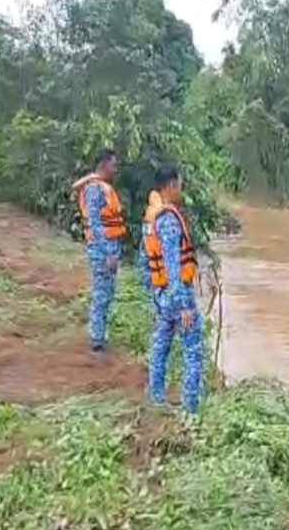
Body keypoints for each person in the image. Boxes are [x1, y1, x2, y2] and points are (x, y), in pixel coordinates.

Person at [140, 166, 205, 414]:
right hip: (177, 295)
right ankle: (191, 409)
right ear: (170, 186)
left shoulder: (152, 216)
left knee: (161, 346)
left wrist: (156, 296)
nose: (181, 190)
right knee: (193, 351)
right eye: (179, 185)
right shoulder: (168, 219)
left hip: (162, 294)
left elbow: (146, 261)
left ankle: (157, 399)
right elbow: (171, 265)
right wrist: (184, 306)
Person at [72, 150, 127, 354]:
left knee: (107, 292)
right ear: (104, 165)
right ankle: (97, 340)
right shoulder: (95, 189)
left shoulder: (102, 188)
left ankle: (101, 336)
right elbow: (95, 224)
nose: (116, 170)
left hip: (109, 246)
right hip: (103, 248)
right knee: (102, 293)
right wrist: (108, 254)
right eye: (113, 165)